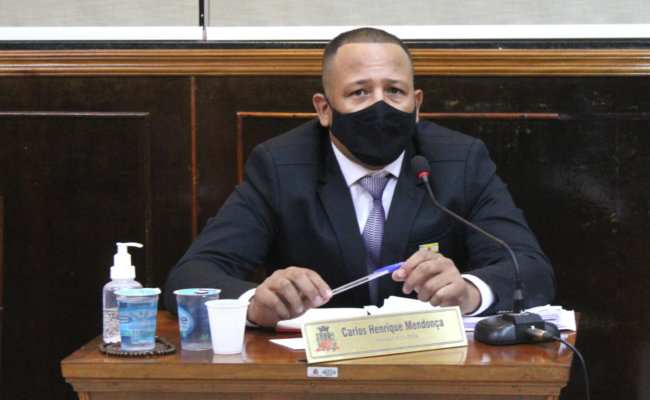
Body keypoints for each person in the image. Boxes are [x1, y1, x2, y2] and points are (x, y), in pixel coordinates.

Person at [164, 27, 555, 328]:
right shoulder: (281, 165)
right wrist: (254, 305)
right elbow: (190, 276)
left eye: (395, 91)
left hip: (429, 366)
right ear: (324, 109)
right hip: (314, 370)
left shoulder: (460, 160)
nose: (380, 107)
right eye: (359, 93)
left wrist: (469, 292)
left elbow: (531, 269)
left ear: (417, 104)